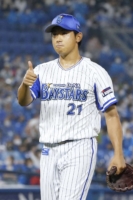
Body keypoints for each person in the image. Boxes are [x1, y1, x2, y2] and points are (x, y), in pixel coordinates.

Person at [17, 13, 126, 200]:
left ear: (78, 37)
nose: (58, 38)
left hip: (80, 147)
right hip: (48, 149)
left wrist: (118, 154)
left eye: (64, 33)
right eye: (54, 34)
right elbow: (24, 101)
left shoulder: (96, 72)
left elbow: (111, 114)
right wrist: (25, 84)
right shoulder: (42, 70)